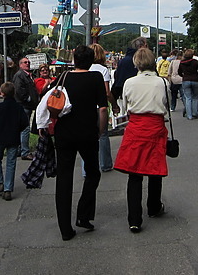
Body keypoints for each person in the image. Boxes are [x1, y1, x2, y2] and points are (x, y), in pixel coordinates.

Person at [51, 45, 108, 241]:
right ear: (92, 61)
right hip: (87, 133)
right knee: (93, 173)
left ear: (74, 59)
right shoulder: (95, 78)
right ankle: (83, 215)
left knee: (64, 178)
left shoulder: (63, 77)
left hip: (64, 133)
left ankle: (65, 229)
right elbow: (102, 108)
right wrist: (100, 130)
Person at [113, 48, 168, 233]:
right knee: (155, 168)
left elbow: (126, 105)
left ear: (136, 62)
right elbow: (166, 104)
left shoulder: (129, 82)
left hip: (136, 126)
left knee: (134, 173)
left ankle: (134, 219)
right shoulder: (162, 82)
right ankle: (153, 207)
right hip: (155, 126)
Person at [0, 82, 29, 201]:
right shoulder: (18, 108)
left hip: (0, 137)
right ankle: (8, 188)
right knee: (11, 163)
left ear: (2, 93)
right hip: (13, 138)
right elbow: (24, 123)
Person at [90, 43, 119, 172]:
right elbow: (107, 92)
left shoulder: (83, 68)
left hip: (85, 107)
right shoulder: (102, 70)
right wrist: (114, 105)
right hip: (99, 106)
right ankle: (105, 164)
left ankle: (89, 166)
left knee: (88, 136)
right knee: (102, 135)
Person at [13, 57, 39, 160]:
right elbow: (19, 90)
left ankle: (19, 150)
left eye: (28, 62)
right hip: (23, 105)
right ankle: (25, 151)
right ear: (20, 65)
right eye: (25, 62)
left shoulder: (28, 75)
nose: (27, 63)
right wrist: (27, 99)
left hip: (27, 105)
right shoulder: (20, 75)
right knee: (25, 128)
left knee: (22, 128)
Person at [178, 49, 198, 120]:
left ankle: (189, 115)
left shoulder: (182, 63)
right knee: (195, 97)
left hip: (186, 80)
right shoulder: (195, 62)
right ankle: (195, 113)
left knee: (188, 98)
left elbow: (179, 72)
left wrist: (183, 75)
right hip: (195, 80)